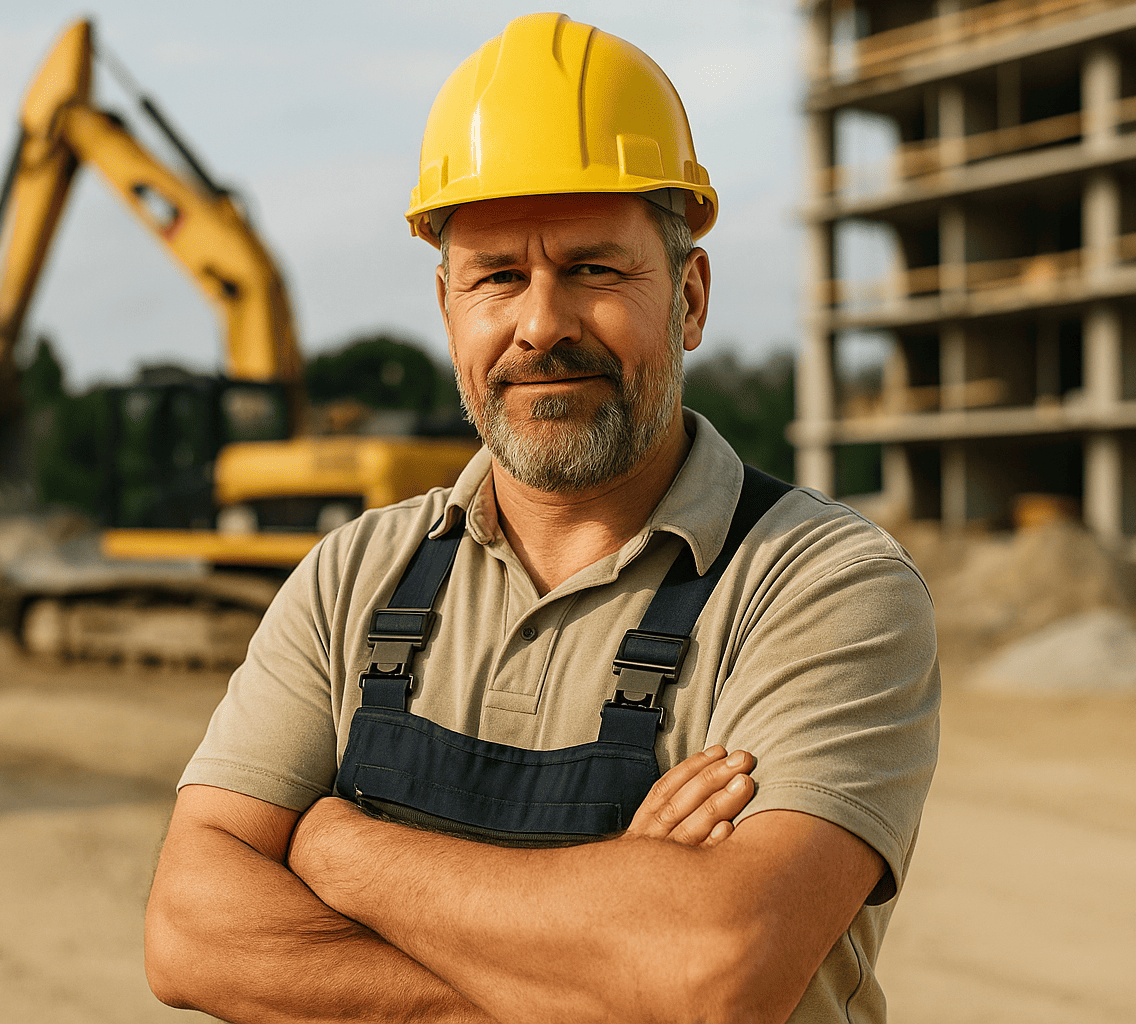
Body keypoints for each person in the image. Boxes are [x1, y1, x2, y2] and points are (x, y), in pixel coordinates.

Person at [145, 13, 938, 1024]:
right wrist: (604, 963)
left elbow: (712, 972)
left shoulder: (821, 585)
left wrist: (340, 846)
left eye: (595, 269)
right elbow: (187, 930)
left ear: (688, 297)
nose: (541, 323)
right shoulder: (353, 578)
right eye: (498, 277)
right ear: (448, 311)